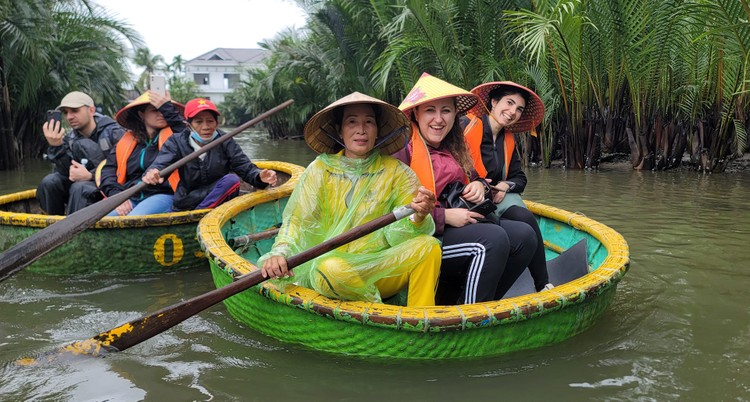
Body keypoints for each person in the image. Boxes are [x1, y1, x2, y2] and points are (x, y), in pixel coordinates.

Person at [258, 92, 441, 307]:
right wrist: (280, 254)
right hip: (333, 273)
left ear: (377, 130)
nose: (361, 130)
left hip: (379, 269)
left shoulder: (398, 173)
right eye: (352, 122)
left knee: (429, 247)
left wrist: (418, 217)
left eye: (369, 122)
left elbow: (400, 236)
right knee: (330, 269)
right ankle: (378, 310)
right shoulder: (320, 170)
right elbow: (298, 223)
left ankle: (419, 319)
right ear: (340, 131)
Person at [393, 72, 540, 305]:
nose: (439, 119)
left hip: (461, 223)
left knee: (526, 236)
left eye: (446, 111)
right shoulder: (402, 148)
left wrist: (479, 186)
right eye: (430, 110)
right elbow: (391, 208)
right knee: (493, 239)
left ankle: (472, 298)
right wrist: (444, 216)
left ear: (454, 115)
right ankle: (471, 314)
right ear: (416, 113)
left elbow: (479, 178)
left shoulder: (454, 145)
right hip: (424, 235)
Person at [465, 81, 553, 292]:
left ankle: (542, 283)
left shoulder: (507, 138)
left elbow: (520, 178)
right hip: (467, 197)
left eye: (519, 109)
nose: (513, 111)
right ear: (494, 102)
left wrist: (504, 185)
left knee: (525, 218)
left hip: (495, 198)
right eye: (509, 103)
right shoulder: (465, 126)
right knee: (505, 228)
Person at [141, 98, 277, 211]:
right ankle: (198, 215)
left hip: (219, 199)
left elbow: (244, 166)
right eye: (198, 122)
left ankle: (201, 214)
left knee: (231, 181)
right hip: (187, 201)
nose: (206, 127)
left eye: (210, 121)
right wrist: (153, 173)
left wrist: (259, 176)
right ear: (189, 125)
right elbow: (160, 164)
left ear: (217, 123)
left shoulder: (225, 140)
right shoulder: (177, 141)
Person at [99, 90, 187, 216]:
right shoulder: (126, 141)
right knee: (101, 220)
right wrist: (118, 198)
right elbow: (108, 172)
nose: (161, 113)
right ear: (141, 115)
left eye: (164, 109)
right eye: (155, 110)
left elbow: (187, 137)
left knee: (132, 219)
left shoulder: (178, 136)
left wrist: (168, 109)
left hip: (164, 195)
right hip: (129, 197)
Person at [37, 91, 126, 215]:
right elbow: (64, 171)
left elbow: (125, 167)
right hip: (80, 188)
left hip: (109, 186)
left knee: (80, 188)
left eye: (74, 110)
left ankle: (74, 232)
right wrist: (56, 146)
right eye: (66, 112)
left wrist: (91, 175)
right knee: (49, 182)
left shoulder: (114, 133)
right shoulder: (70, 139)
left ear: (91, 111)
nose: (69, 117)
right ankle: (51, 228)